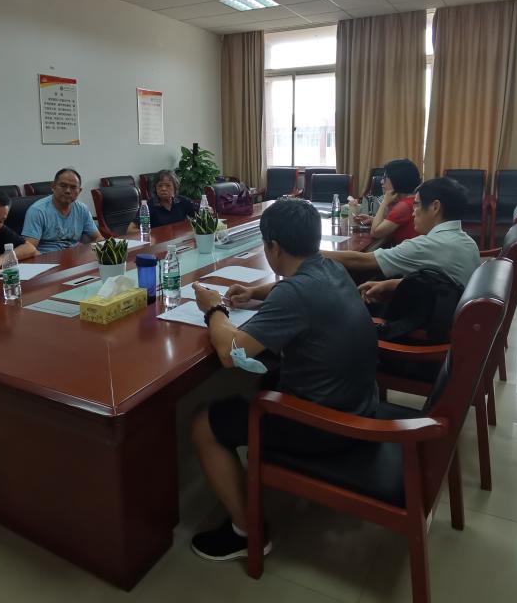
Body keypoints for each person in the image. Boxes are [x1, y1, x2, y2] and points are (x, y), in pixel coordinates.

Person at [188, 198, 380, 561]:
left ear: (273, 247)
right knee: (263, 377)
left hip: (326, 425)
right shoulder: (331, 268)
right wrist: (255, 293)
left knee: (203, 423)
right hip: (360, 401)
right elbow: (290, 291)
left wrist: (214, 308)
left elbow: (230, 353)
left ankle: (246, 532)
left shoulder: (296, 293)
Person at [324, 177, 481, 303]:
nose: (413, 213)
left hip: (430, 329)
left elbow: (360, 261)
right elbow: (439, 283)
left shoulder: (428, 245)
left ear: (435, 207)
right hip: (450, 315)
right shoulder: (468, 241)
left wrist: (313, 251)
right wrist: (390, 284)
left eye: (417, 205)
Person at [22, 168, 101, 252]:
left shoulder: (82, 209)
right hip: (47, 257)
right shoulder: (37, 211)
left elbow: (97, 237)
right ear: (53, 186)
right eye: (63, 186)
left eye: (73, 187)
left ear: (80, 191)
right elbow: (30, 249)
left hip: (74, 255)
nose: (68, 191)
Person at [356, 158, 422, 246]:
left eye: (384, 178)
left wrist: (385, 202)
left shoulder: (404, 206)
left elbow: (375, 232)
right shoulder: (412, 200)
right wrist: (373, 220)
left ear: (397, 180)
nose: (381, 182)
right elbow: (394, 224)